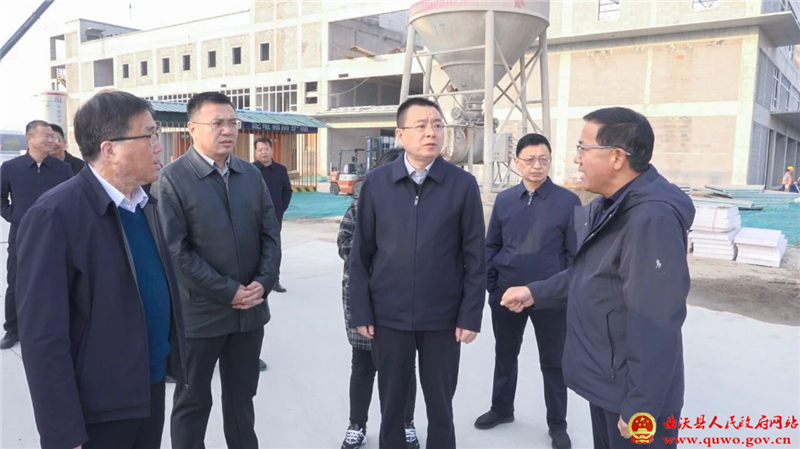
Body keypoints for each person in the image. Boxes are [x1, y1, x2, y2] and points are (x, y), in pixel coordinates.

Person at [502, 107, 695, 449]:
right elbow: (592, 274)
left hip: (632, 396)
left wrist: (640, 407)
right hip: (610, 382)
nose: (577, 159)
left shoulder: (651, 219)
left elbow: (656, 322)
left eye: (583, 148)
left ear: (617, 157)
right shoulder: (614, 206)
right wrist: (535, 292)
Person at [15, 90, 187, 448]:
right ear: (110, 150)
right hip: (99, 407)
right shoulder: (55, 215)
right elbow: (43, 337)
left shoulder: (146, 204)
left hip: (149, 387)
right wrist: (62, 433)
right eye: (150, 135)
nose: (160, 146)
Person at [349, 97, 486, 449]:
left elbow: (475, 257)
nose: (431, 133)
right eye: (422, 125)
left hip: (443, 318)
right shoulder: (376, 183)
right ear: (400, 134)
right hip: (388, 316)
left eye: (437, 125)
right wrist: (361, 311)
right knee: (392, 405)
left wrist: (470, 314)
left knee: (441, 406)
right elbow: (361, 254)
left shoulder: (462, 185)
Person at [156, 91, 281, 449]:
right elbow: (176, 251)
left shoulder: (249, 175)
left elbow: (270, 234)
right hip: (200, 314)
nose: (227, 130)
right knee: (193, 401)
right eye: (217, 123)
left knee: (242, 399)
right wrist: (229, 291)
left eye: (232, 122)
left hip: (250, 311)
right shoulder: (172, 179)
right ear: (192, 128)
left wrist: (262, 283)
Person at [474, 133, 580, 449]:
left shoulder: (568, 202)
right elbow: (491, 245)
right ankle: (501, 409)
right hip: (507, 296)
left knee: (554, 362)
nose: (537, 165)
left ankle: (557, 424)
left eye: (543, 159)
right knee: (505, 354)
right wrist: (494, 287)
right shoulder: (505, 200)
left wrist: (559, 291)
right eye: (530, 159)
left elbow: (574, 255)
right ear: (516, 162)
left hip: (550, 298)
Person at [337, 148, 420, 449]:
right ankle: (357, 424)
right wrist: (380, 262)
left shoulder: (420, 206)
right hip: (363, 298)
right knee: (362, 365)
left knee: (404, 367)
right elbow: (345, 242)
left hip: (404, 300)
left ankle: (405, 423)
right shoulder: (361, 205)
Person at [0, 120, 72, 350]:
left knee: (55, 280)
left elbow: (72, 199)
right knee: (16, 280)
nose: (52, 140)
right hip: (21, 234)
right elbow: (1, 200)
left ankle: (53, 325)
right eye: (46, 136)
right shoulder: (11, 168)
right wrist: (16, 216)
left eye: (54, 136)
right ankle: (12, 329)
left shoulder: (63, 169)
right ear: (29, 138)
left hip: (55, 235)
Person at [253, 136, 292, 293]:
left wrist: (281, 208)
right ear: (255, 152)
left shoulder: (281, 170)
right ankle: (254, 280)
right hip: (253, 218)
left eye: (266, 149)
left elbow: (287, 191)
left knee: (273, 249)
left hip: (275, 217)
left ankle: (274, 280)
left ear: (272, 150)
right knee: (254, 248)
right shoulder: (250, 170)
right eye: (260, 150)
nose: (263, 152)